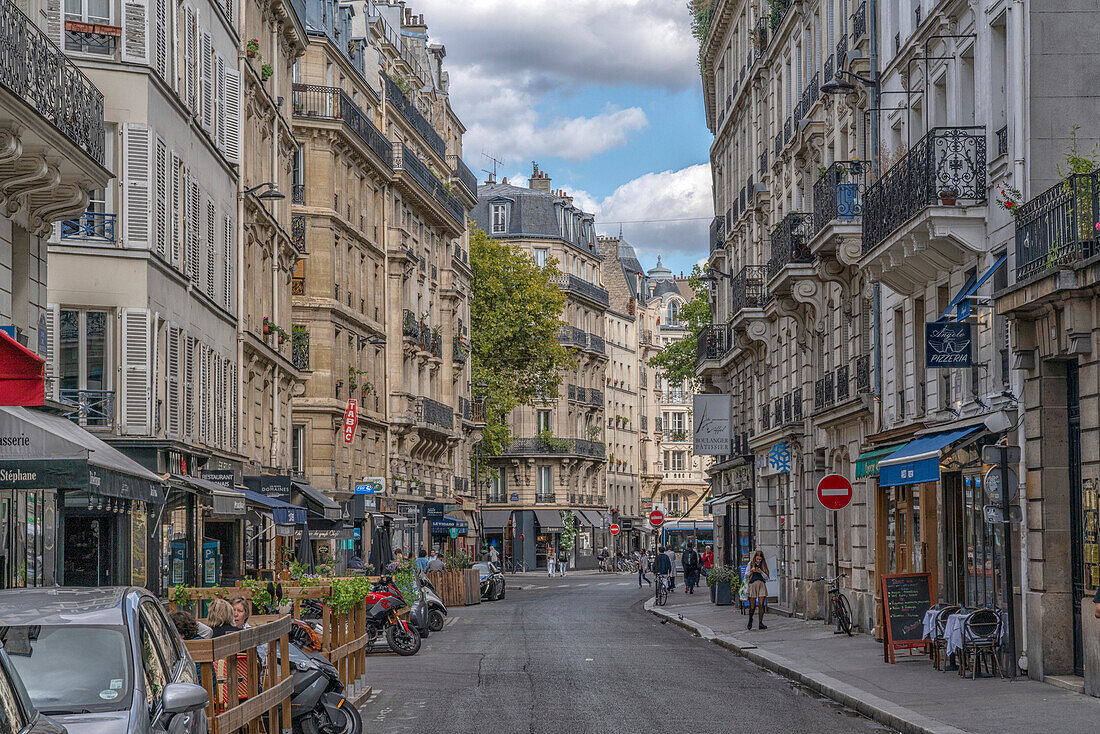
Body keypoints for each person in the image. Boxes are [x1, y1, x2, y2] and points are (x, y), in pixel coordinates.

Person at [746, 549, 770, 630]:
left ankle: (760, 622)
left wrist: (761, 572)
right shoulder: (750, 564)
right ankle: (750, 619)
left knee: (761, 604)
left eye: (760, 559)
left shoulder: (763, 565)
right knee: (752, 606)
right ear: (755, 558)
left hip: (761, 584)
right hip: (753, 585)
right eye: (757, 559)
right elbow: (746, 575)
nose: (758, 561)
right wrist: (751, 571)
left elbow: (767, 578)